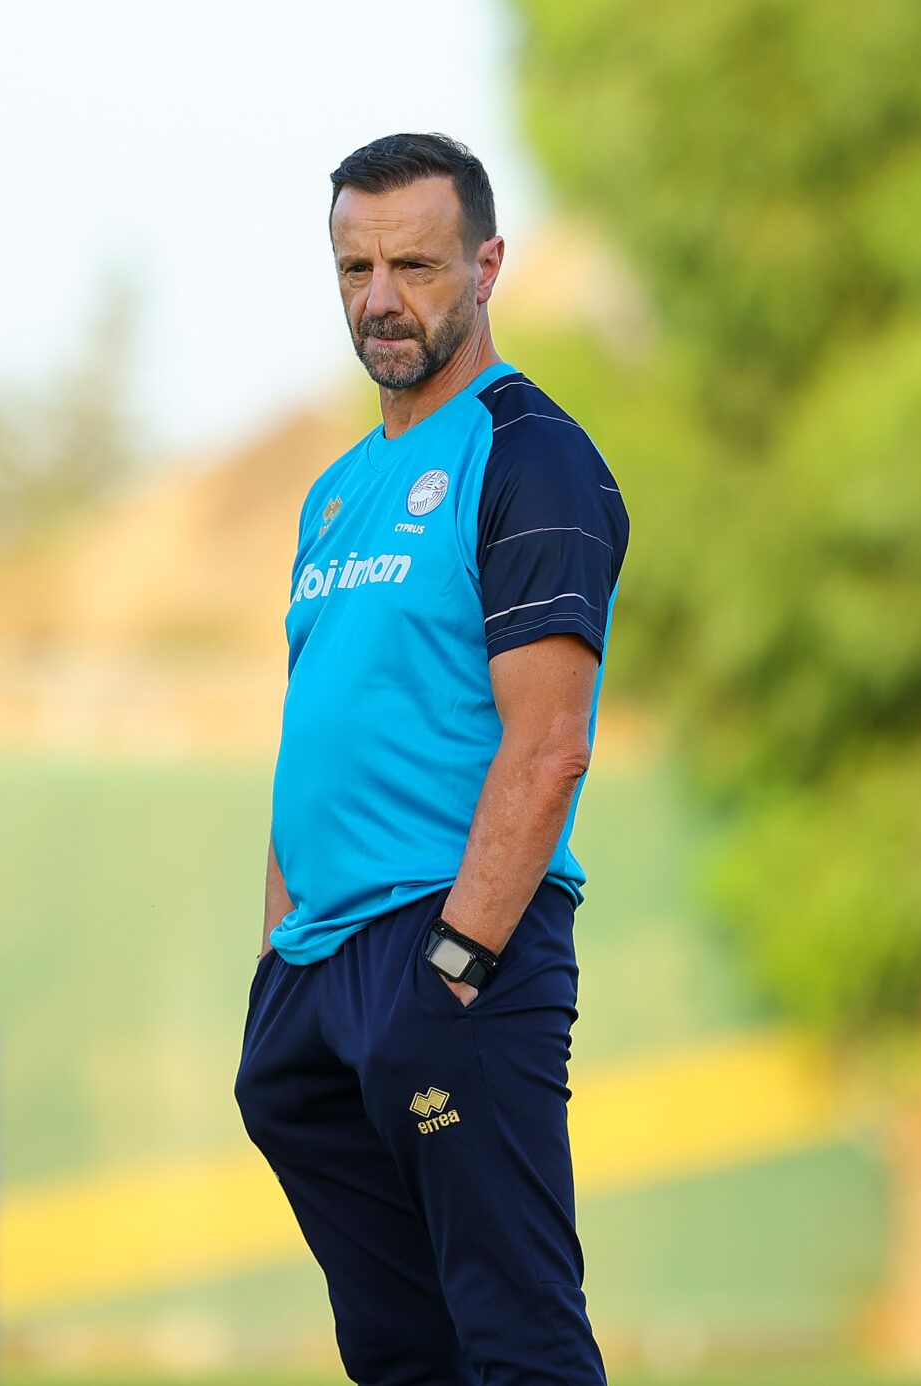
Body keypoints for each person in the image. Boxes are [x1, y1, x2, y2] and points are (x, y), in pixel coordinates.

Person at [235, 132, 627, 1385]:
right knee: (398, 1350)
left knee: (516, 1338)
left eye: (412, 265)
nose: (380, 299)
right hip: (318, 974)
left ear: (485, 265)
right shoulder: (335, 492)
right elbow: (317, 730)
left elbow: (549, 743)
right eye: (355, 269)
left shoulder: (528, 454)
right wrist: (277, 965)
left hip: (453, 948)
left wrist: (454, 965)